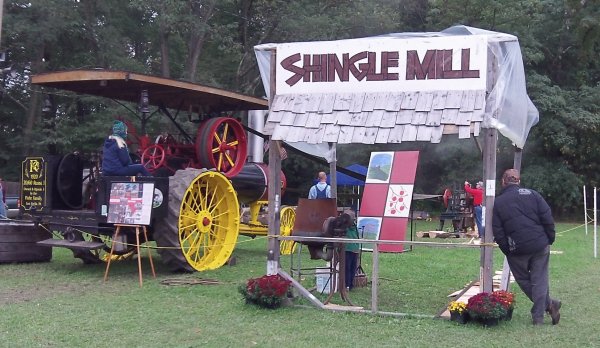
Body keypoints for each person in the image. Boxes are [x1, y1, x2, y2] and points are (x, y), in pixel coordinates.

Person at [492, 169, 561, 326]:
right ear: (518, 181)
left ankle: (542, 313)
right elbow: (547, 217)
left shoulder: (498, 202)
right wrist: (550, 238)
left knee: (524, 279)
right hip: (540, 244)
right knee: (540, 280)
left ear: (503, 182)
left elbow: (498, 230)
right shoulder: (534, 195)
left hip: (517, 250)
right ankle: (548, 306)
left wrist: (507, 250)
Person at [343, 210, 360, 290]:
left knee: (352, 268)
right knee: (348, 268)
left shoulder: (354, 226)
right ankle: (347, 284)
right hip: (348, 250)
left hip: (353, 249)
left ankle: (350, 285)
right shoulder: (345, 226)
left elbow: (357, 237)